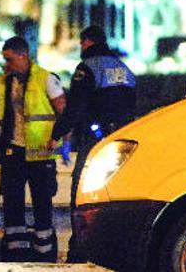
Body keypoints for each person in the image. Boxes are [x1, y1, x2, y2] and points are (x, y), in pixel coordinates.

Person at [51, 25, 136, 264]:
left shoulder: (87, 68)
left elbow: (75, 108)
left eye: (81, 43)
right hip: (124, 142)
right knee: (119, 196)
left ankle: (79, 251)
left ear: (87, 42)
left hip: (95, 141)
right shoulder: (124, 68)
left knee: (81, 192)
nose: (80, 47)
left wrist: (57, 133)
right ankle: (115, 251)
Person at [0, 36, 66, 262]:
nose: (6, 65)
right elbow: (0, 114)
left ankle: (44, 254)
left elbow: (63, 112)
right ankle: (15, 253)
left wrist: (61, 141)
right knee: (11, 203)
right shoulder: (5, 81)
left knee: (42, 204)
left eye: (10, 59)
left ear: (23, 56)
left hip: (40, 153)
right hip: (13, 151)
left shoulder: (46, 79)